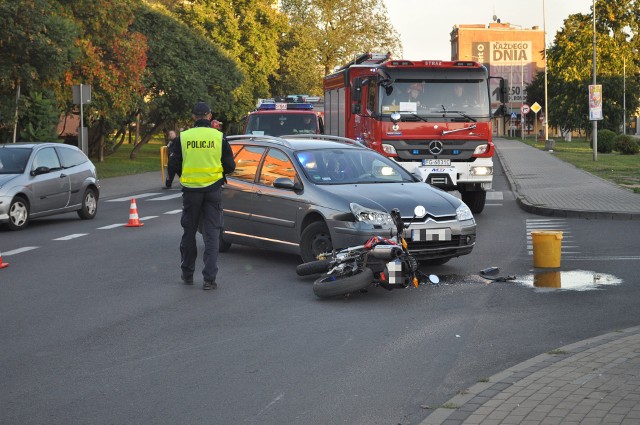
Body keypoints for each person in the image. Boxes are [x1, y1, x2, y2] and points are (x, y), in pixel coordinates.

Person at [167, 101, 236, 290]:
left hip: (191, 191)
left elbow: (173, 164)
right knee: (212, 234)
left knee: (189, 232)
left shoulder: (184, 137)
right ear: (210, 116)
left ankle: (187, 273)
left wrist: (185, 174)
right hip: (213, 190)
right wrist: (218, 174)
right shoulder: (219, 137)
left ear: (193, 117)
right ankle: (209, 279)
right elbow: (230, 166)